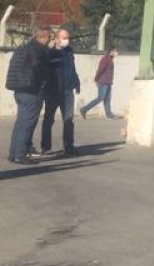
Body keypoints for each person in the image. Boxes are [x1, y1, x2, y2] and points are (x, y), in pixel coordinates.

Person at [6, 28, 53, 164]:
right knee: (27, 124)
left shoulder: (23, 48)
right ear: (43, 37)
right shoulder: (38, 50)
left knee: (20, 123)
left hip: (19, 90)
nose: (50, 41)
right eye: (49, 37)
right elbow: (39, 69)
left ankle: (14, 154)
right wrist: (43, 85)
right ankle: (20, 155)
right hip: (32, 91)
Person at [39, 28, 80, 156]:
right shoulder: (50, 54)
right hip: (53, 92)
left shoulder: (69, 52)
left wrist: (77, 83)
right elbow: (45, 74)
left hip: (68, 91)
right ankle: (46, 147)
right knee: (48, 119)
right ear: (57, 39)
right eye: (64, 38)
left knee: (68, 120)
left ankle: (69, 146)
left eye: (68, 38)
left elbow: (72, 69)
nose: (66, 40)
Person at [80, 45, 117, 119]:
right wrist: (96, 79)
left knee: (107, 98)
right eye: (115, 51)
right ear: (111, 51)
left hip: (108, 82)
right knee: (100, 98)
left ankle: (108, 114)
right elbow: (100, 69)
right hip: (103, 82)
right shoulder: (105, 59)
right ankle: (84, 109)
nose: (116, 53)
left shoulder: (110, 59)